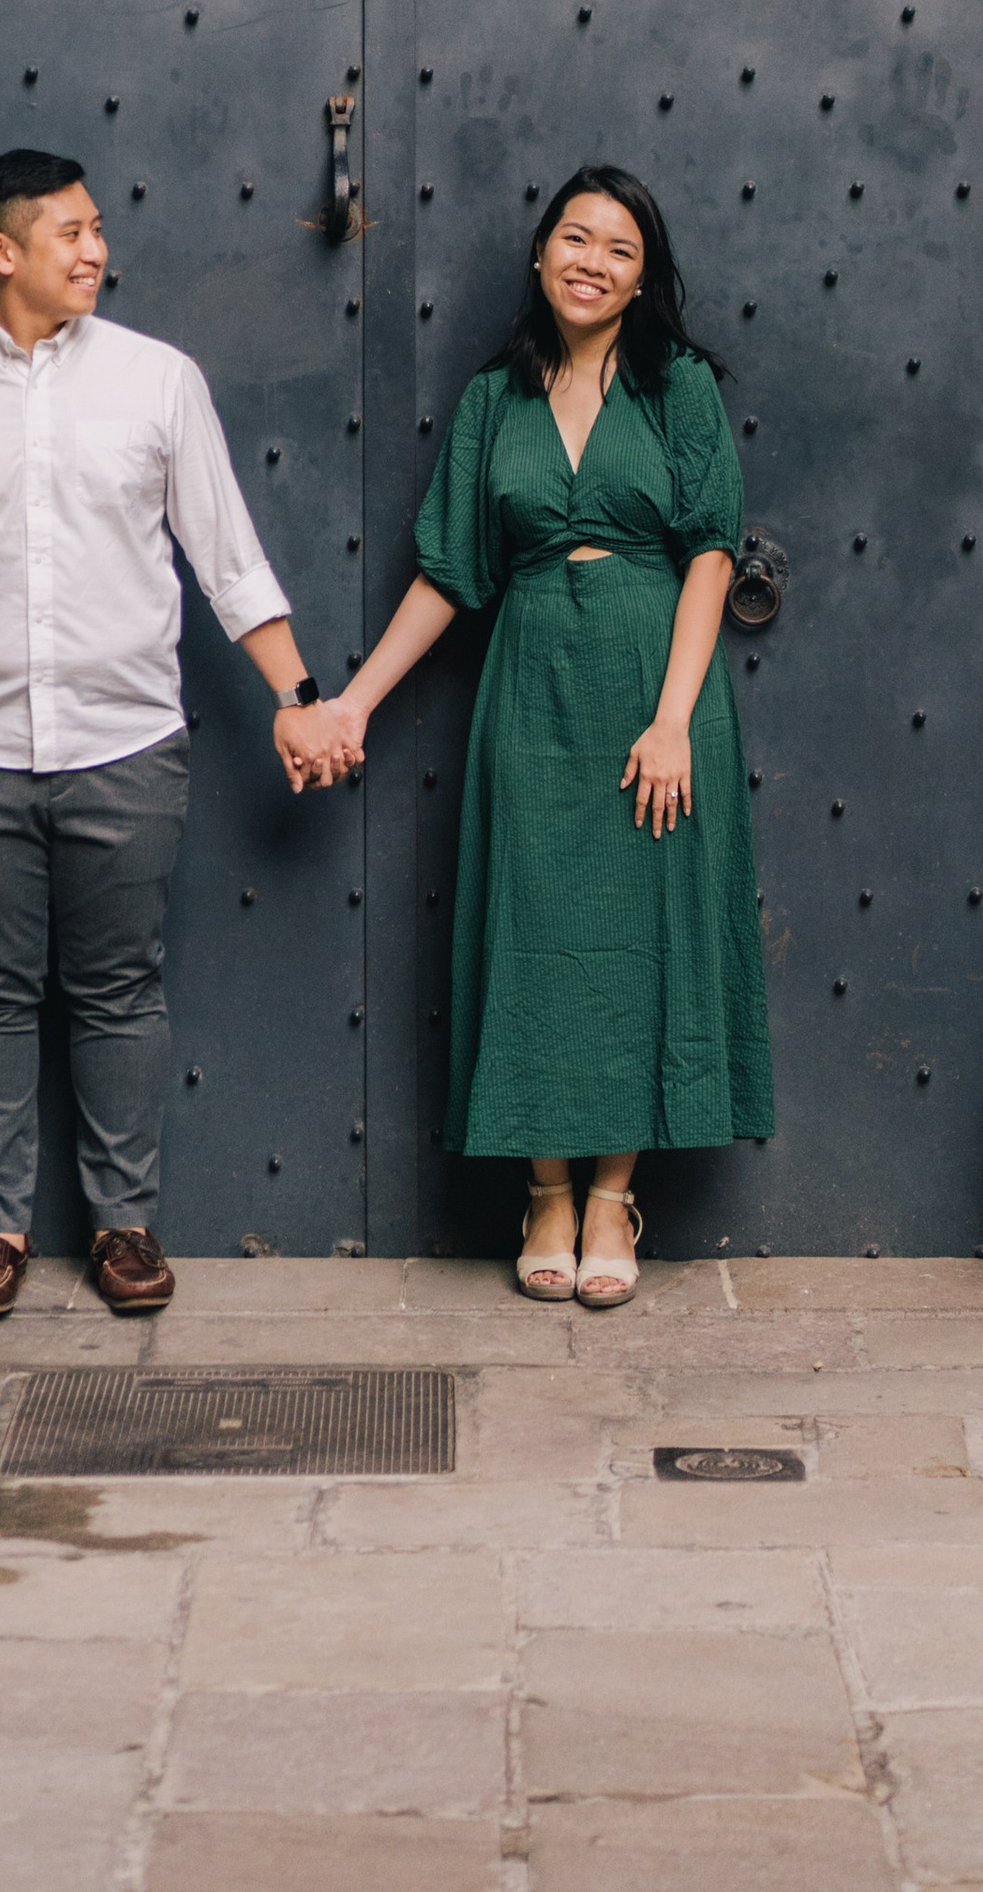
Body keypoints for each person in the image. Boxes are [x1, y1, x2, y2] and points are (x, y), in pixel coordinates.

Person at [0, 148, 350, 1320]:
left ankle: (125, 1225)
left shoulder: (157, 380)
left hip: (127, 744)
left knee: (120, 989)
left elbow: (227, 559)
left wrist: (299, 693)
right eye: (69, 233)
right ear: (2, 252)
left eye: (96, 228)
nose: (95, 251)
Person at [314, 167, 772, 1305]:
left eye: (619, 249)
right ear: (539, 255)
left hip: (648, 687)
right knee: (533, 926)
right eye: (575, 238)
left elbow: (710, 549)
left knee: (639, 935)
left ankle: (612, 1194)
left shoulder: (678, 388)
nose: (592, 262)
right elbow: (449, 574)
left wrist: (671, 721)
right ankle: (545, 1192)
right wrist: (355, 703)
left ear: (643, 277)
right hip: (531, 694)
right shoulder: (491, 402)